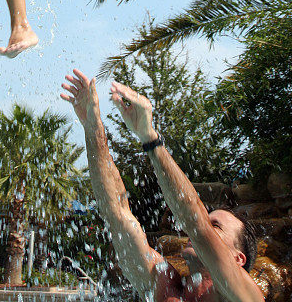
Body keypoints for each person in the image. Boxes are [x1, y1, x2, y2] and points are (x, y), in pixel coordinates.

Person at [61, 69, 264, 302]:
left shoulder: (245, 297)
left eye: (215, 226)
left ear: (238, 259)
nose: (201, 231)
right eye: (210, 222)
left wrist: (150, 138)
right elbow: (117, 213)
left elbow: (194, 219)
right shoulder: (165, 284)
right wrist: (92, 127)